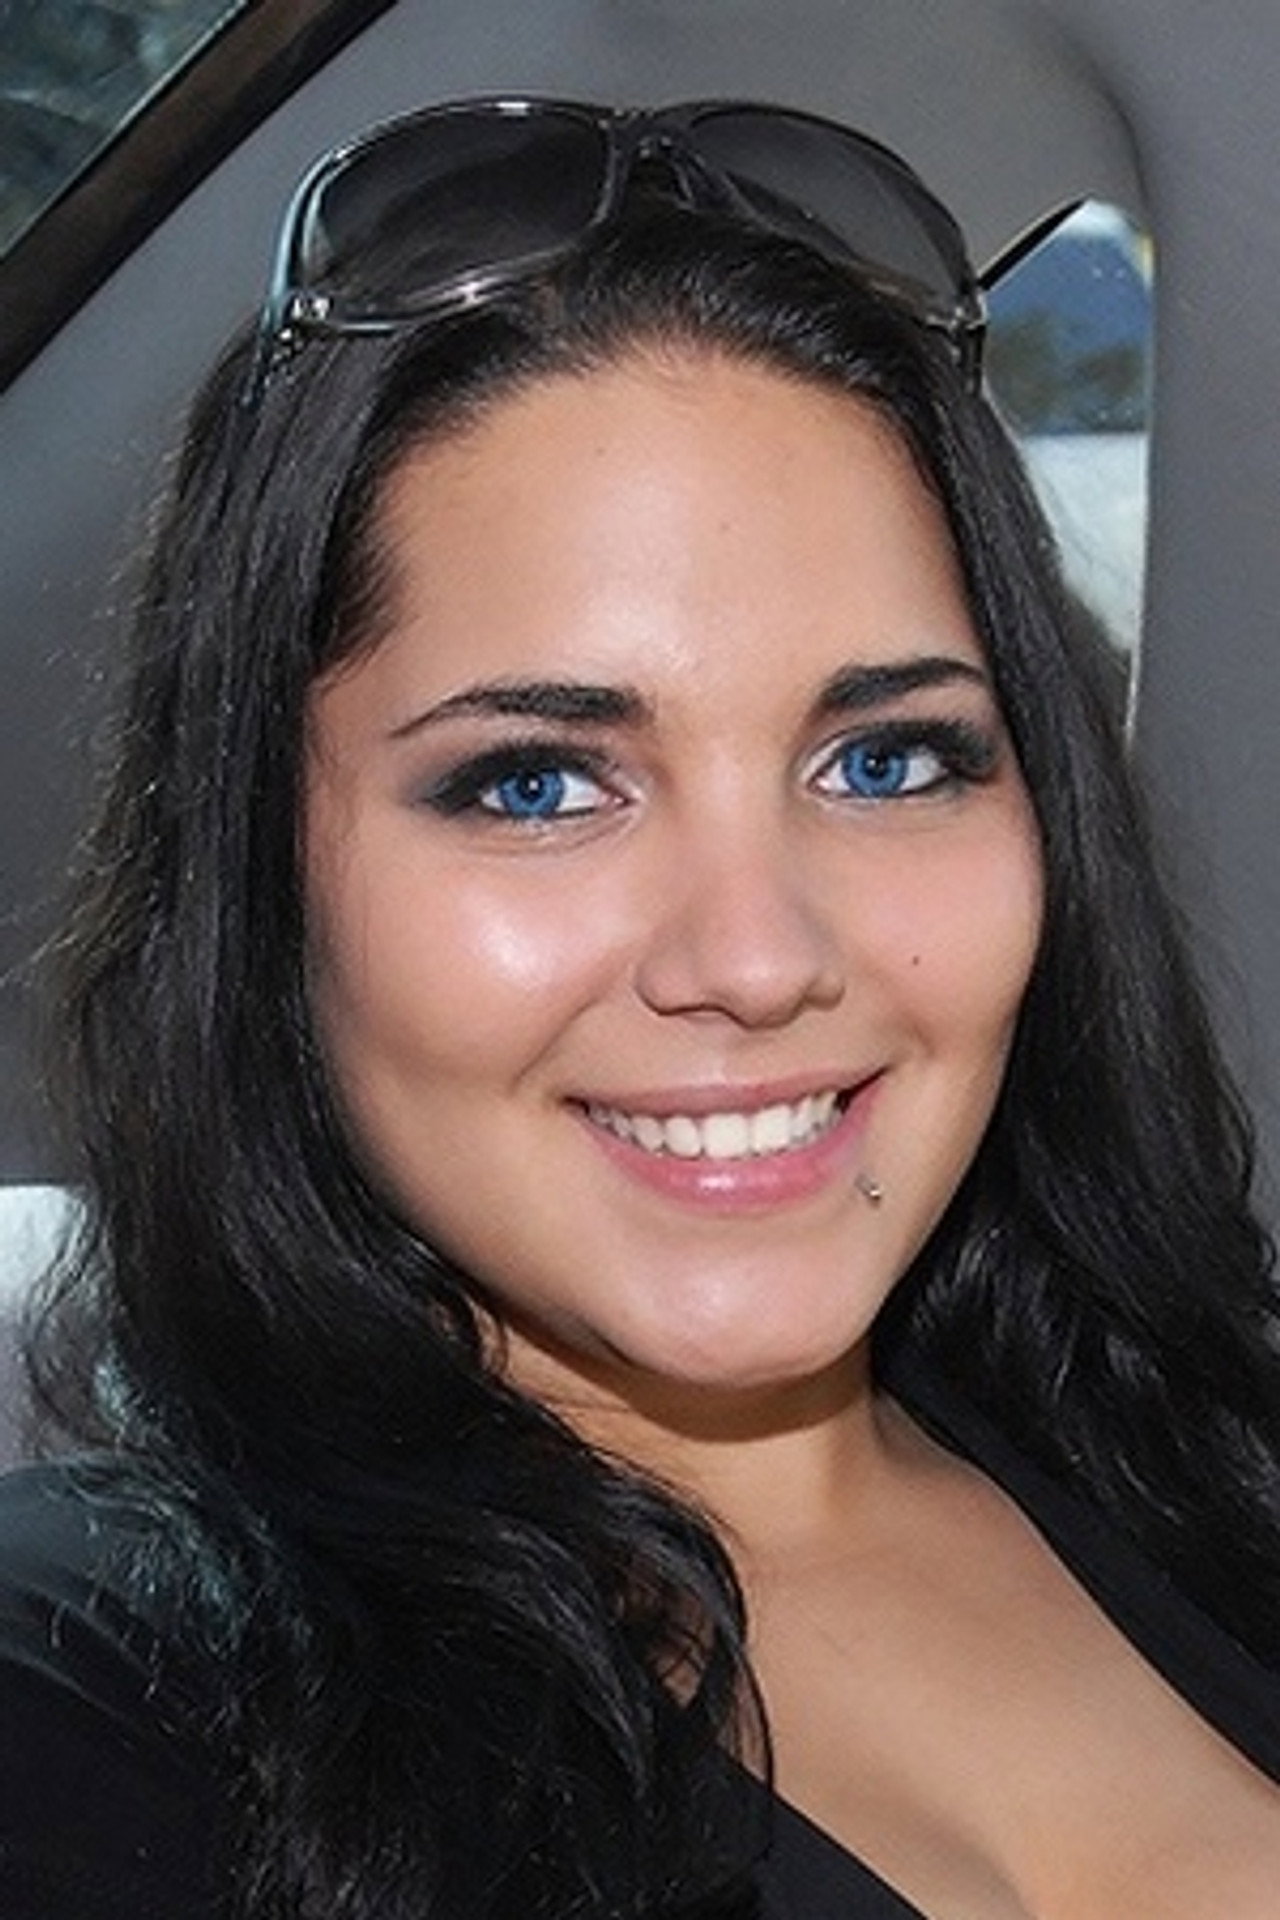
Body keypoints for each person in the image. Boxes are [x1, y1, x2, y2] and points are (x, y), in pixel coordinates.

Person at [2, 96, 1278, 1920]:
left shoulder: (1212, 1466)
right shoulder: (101, 1691)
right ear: (262, 881)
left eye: (889, 759)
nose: (754, 957)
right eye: (536, 784)